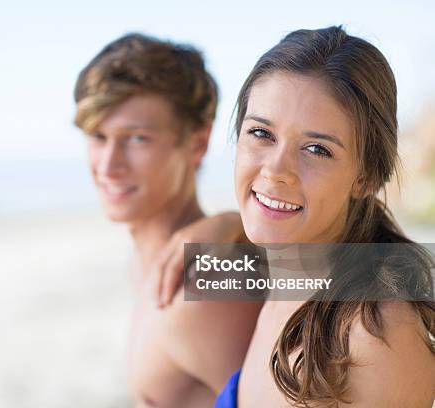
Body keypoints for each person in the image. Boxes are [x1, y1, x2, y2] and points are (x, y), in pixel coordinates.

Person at [153, 26, 435, 407]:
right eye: (261, 133)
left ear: (365, 177)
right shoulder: (281, 275)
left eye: (317, 149)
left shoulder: (376, 334)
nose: (275, 170)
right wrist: (227, 222)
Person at [73, 33, 262, 407]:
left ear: (197, 142)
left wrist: (241, 222)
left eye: (138, 138)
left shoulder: (203, 287)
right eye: (98, 136)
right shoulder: (146, 266)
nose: (109, 165)